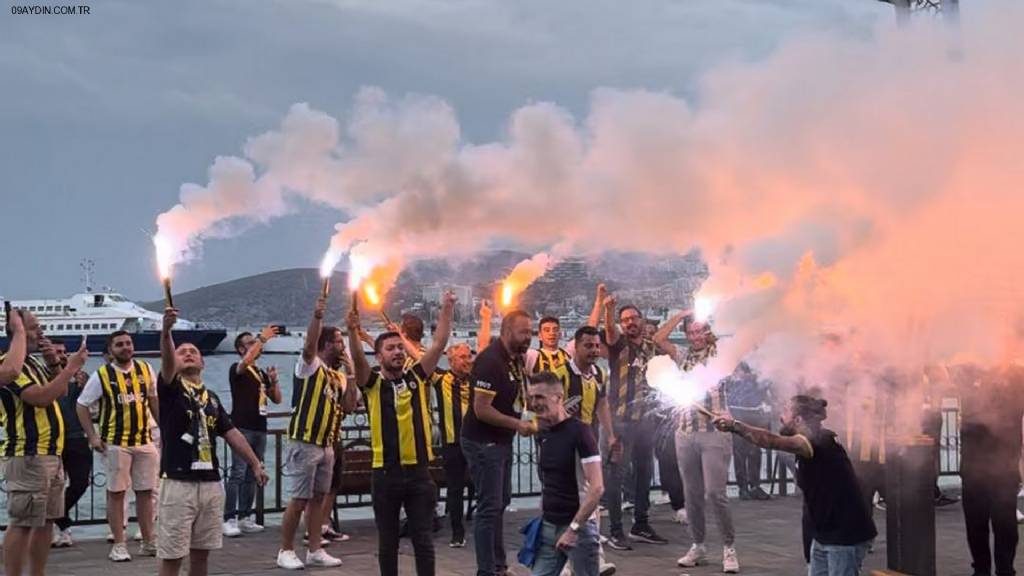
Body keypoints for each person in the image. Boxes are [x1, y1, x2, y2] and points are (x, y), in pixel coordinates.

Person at [347, 290, 456, 576]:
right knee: (388, 542)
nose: (397, 352)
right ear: (379, 355)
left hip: (419, 473)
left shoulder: (417, 377)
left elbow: (440, 343)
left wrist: (446, 309)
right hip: (385, 474)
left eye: (399, 347)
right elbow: (357, 360)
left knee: (423, 540)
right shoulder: (371, 383)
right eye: (390, 348)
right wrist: (352, 333)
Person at [156, 307, 267, 576]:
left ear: (203, 362)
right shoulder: (171, 389)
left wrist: (255, 463)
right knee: (172, 556)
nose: (188, 354)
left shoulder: (212, 398)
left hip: (210, 482)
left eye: (194, 351)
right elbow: (167, 364)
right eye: (182, 352)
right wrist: (167, 332)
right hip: (178, 482)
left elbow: (231, 433)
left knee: (202, 555)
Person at [1, 310, 87, 576]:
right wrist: (71, 367)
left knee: (46, 520)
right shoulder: (7, 364)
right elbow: (39, 397)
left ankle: (37, 572)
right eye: (35, 327)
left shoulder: (34, 364)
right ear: (18, 331)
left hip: (51, 453)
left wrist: (54, 365)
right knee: (23, 522)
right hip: (29, 453)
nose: (42, 332)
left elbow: (59, 391)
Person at [277, 296, 359, 570]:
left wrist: (351, 374)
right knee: (299, 498)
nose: (342, 345)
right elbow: (309, 346)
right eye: (338, 341)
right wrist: (316, 317)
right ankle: (285, 549)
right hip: (305, 440)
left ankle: (314, 548)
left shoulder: (337, 377)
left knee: (318, 500)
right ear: (326, 344)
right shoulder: (309, 367)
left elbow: (348, 407)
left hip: (327, 444)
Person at [656, 317, 738, 573]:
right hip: (686, 433)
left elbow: (741, 342)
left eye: (699, 331)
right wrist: (681, 314)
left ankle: (729, 547)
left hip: (715, 433)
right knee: (691, 495)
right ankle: (698, 544)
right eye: (690, 333)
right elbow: (658, 339)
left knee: (715, 493)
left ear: (707, 332)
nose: (695, 337)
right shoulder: (684, 357)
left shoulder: (720, 355)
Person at [462, 309, 536, 576]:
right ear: (506, 331)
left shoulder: (514, 360)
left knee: (500, 502)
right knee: (489, 507)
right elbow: (481, 409)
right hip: (483, 442)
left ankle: (498, 565)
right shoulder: (490, 361)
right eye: (523, 332)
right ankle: (487, 570)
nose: (528, 337)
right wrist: (518, 424)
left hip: (501, 442)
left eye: (530, 331)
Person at [76, 330, 160, 561]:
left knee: (146, 491)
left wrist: (163, 427)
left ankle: (148, 540)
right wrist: (92, 436)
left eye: (128, 343)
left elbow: (153, 399)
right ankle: (119, 544)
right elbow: (82, 405)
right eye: (120, 344)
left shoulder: (146, 369)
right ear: (111, 350)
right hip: (116, 443)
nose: (126, 347)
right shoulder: (102, 375)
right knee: (117, 493)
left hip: (145, 440)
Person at [601, 296, 667, 548]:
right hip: (619, 422)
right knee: (616, 476)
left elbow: (662, 337)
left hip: (645, 421)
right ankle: (616, 530)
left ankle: (641, 523)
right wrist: (608, 309)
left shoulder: (649, 347)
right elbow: (608, 331)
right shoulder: (618, 345)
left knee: (644, 473)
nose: (629, 323)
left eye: (633, 318)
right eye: (625, 320)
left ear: (641, 320)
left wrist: (681, 317)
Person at [528, 371, 605, 576]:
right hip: (549, 526)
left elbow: (596, 488)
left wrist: (574, 529)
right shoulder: (544, 433)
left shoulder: (580, 432)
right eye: (532, 397)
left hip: (578, 529)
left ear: (558, 397)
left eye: (540, 397)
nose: (534, 403)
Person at [559, 326, 619, 576]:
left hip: (590, 445)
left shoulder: (599, 374)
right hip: (565, 447)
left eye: (597, 346)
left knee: (592, 499)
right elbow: (542, 405)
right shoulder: (560, 373)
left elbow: (602, 404)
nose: (594, 350)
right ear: (576, 346)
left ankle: (594, 557)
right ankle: (567, 562)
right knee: (572, 501)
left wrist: (611, 435)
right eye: (588, 345)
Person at [957, 364, 1024, 576]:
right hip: (973, 468)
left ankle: (1005, 570)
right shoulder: (967, 373)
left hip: (1003, 468)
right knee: (976, 525)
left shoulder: (1016, 377)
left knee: (1005, 526)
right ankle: (981, 570)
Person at [223, 327, 283, 537]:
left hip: (260, 427)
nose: (255, 346)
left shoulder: (260, 373)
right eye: (249, 343)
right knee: (238, 473)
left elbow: (277, 399)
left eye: (254, 342)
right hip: (241, 426)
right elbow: (245, 361)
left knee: (253, 473)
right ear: (240, 349)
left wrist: (274, 380)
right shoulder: (237, 368)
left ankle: (245, 517)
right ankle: (229, 517)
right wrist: (262, 339)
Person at [432, 342, 474, 547]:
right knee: (455, 488)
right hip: (452, 443)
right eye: (463, 357)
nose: (468, 361)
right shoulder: (442, 379)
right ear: (451, 361)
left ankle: (486, 526)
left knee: (485, 486)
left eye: (469, 356)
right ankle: (457, 532)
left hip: (476, 441)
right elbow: (421, 359)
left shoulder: (476, 379)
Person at [51, 340, 92, 548]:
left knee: (81, 483)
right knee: (53, 487)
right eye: (57, 352)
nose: (61, 355)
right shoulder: (44, 379)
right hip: (52, 439)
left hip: (78, 438)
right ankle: (62, 526)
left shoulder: (80, 378)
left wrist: (83, 381)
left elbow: (91, 402)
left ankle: (58, 517)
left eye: (64, 352)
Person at [723, 362, 773, 500]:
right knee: (740, 454)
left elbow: (766, 395)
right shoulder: (730, 382)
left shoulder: (758, 381)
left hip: (755, 419)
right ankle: (743, 488)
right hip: (738, 419)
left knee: (755, 453)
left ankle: (755, 486)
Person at [526, 316, 572, 381]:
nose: (552, 333)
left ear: (560, 334)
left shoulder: (568, 355)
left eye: (555, 330)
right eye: (547, 330)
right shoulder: (532, 356)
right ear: (539, 336)